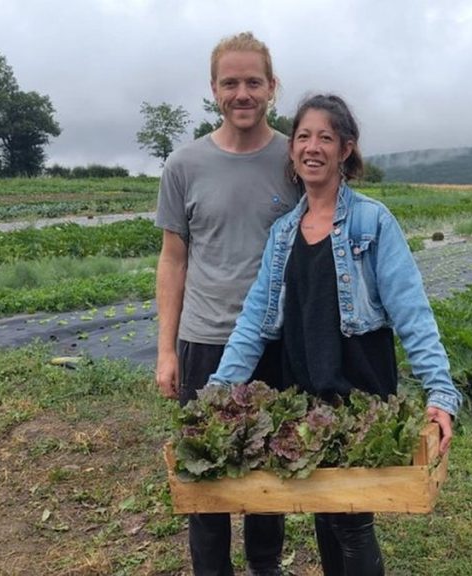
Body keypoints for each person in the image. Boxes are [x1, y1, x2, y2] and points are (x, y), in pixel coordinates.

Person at [209, 93, 462, 575]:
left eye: (325, 137)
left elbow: (412, 311)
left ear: (345, 148)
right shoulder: (283, 233)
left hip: (359, 391)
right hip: (305, 391)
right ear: (291, 150)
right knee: (329, 510)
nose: (312, 147)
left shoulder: (372, 221)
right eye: (303, 136)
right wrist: (219, 391)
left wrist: (440, 392)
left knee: (352, 519)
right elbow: (255, 319)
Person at [154, 31, 300, 576]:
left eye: (253, 82)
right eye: (231, 82)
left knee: (269, 464)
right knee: (206, 470)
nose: (243, 93)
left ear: (272, 87)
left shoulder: (294, 158)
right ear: (214, 89)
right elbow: (173, 261)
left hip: (273, 341)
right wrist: (166, 350)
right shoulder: (184, 164)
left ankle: (266, 565)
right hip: (204, 342)